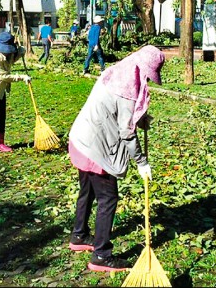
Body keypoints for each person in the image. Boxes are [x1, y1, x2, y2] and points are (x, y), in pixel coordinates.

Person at [67, 45, 165, 272]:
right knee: (108, 198)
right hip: (95, 149)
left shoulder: (118, 72)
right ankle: (101, 255)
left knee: (87, 191)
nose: (148, 80)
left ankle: (79, 235)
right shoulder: (128, 88)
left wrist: (139, 119)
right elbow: (126, 132)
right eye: (149, 75)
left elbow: (115, 109)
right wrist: (142, 162)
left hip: (82, 138)